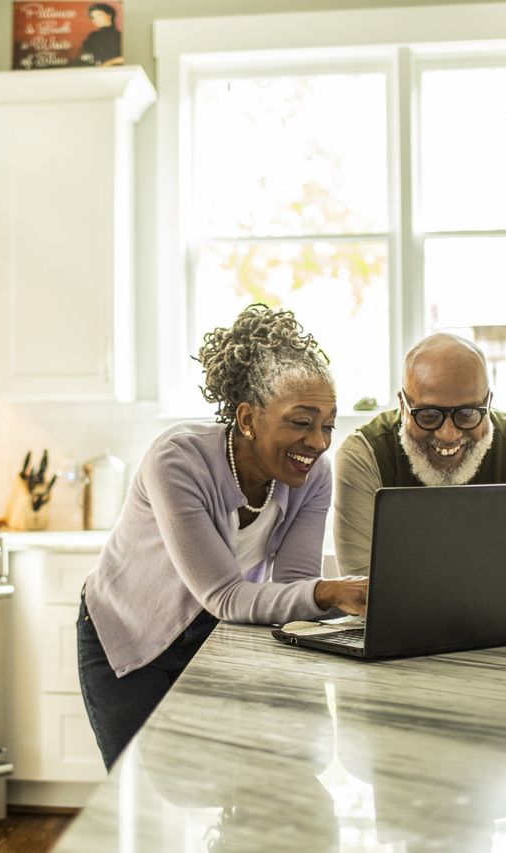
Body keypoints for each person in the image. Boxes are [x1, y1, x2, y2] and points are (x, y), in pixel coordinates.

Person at [78, 305, 368, 769]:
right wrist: (333, 591)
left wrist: (338, 601)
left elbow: (293, 588)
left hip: (214, 637)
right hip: (129, 634)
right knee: (140, 799)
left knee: (222, 783)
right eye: (301, 421)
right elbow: (225, 595)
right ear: (249, 417)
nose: (318, 442)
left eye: (327, 425)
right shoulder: (177, 460)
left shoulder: (313, 476)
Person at [332, 332, 506, 616]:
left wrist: (420, 573)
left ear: (488, 402)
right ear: (402, 405)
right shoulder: (363, 456)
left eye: (467, 414)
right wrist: (501, 575)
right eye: (428, 415)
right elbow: (364, 593)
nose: (448, 433)